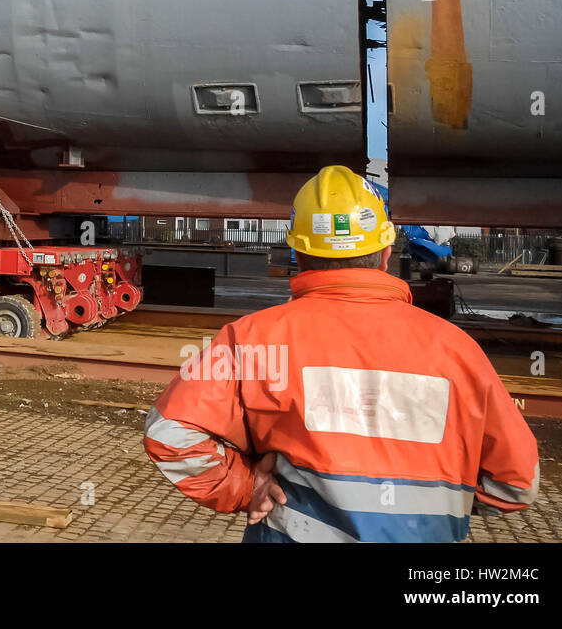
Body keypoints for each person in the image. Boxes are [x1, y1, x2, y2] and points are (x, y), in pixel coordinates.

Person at [144, 164, 539, 542]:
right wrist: (435, 506)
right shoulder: (457, 349)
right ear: (385, 251)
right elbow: (516, 483)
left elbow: (170, 433)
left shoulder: (253, 337)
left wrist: (246, 487)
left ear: (298, 253)